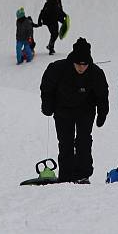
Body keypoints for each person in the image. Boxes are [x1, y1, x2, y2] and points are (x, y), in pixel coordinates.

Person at [40, 37, 109, 183]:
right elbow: (47, 87)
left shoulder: (95, 73)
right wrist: (47, 105)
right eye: (79, 64)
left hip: (85, 111)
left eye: (85, 65)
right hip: (63, 111)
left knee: (83, 142)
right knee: (66, 143)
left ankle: (83, 175)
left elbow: (102, 95)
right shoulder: (58, 68)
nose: (81, 68)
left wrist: (102, 113)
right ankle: (66, 176)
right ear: (73, 61)